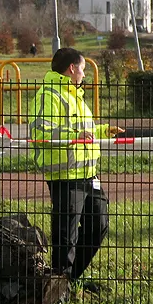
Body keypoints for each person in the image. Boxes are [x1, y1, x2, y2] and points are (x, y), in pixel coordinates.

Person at [30, 47, 124, 280]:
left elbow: (85, 131)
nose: (84, 74)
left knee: (98, 224)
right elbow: (40, 132)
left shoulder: (75, 95)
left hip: (87, 175)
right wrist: (74, 134)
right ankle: (59, 288)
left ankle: (69, 280)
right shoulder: (49, 94)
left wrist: (103, 130)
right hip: (65, 177)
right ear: (72, 68)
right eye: (82, 69)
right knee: (66, 237)